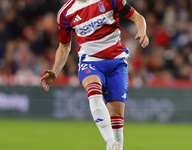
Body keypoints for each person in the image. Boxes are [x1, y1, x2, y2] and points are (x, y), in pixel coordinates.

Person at [40, 0, 149, 150]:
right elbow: (64, 46)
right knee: (93, 90)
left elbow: (138, 17)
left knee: (116, 118)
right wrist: (55, 71)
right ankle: (110, 142)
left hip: (116, 62)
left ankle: (115, 145)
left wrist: (142, 31)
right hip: (90, 62)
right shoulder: (65, 13)